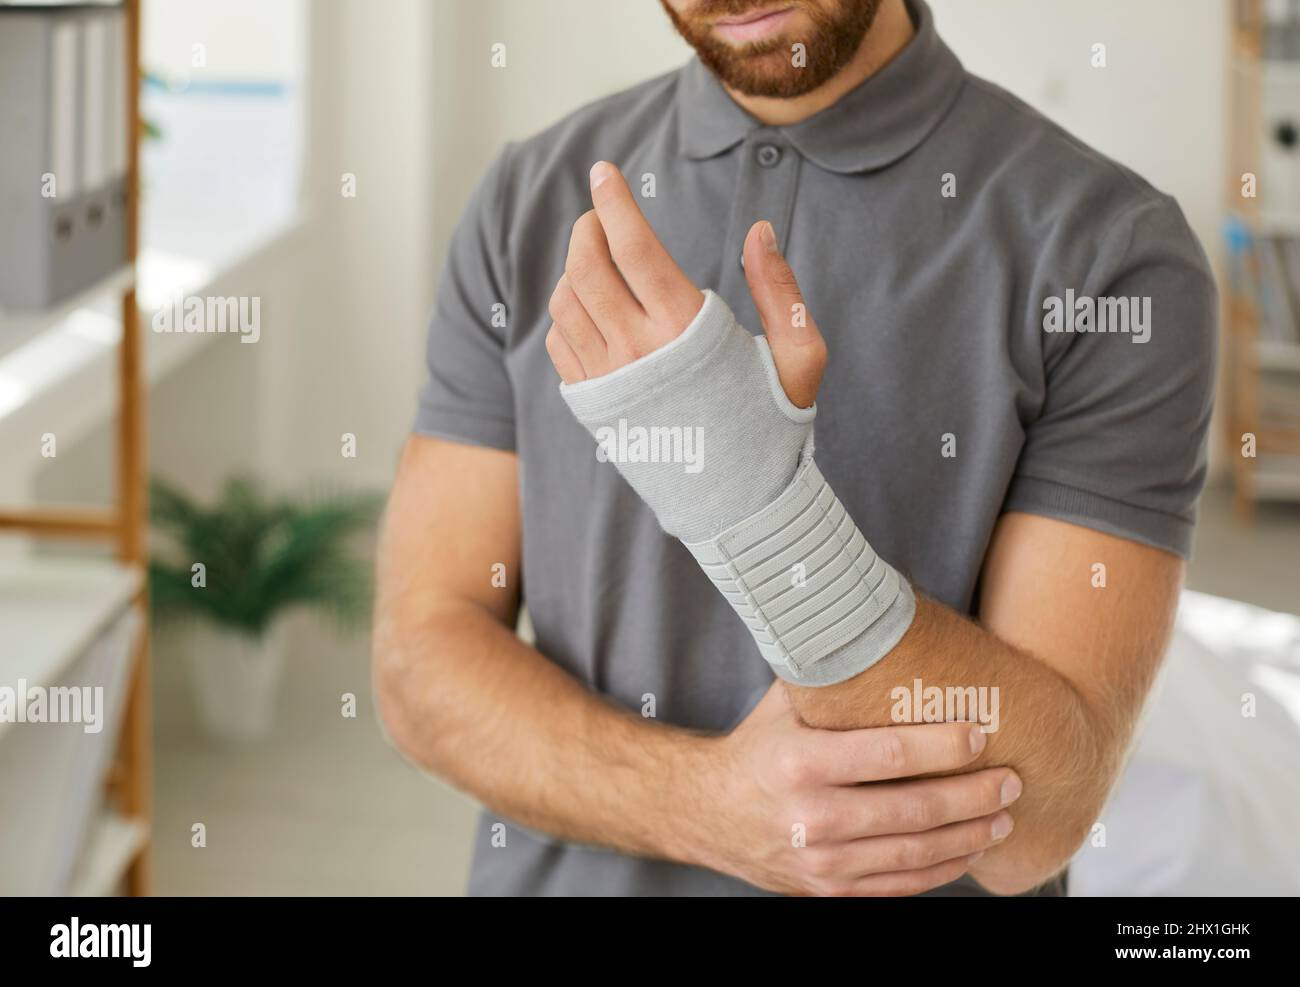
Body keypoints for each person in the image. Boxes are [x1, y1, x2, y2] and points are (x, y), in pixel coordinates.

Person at [373, 0, 1216, 896]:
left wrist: (756, 506)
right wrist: (702, 803)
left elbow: (1042, 815)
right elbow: (418, 663)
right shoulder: (528, 200)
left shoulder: (1110, 257)